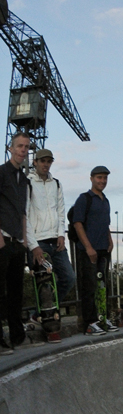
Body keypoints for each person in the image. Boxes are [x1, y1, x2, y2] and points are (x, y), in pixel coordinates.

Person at [25, 148, 75, 307]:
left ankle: (45, 312)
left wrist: (61, 234)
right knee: (42, 285)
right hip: (39, 241)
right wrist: (33, 246)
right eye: (42, 161)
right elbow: (23, 216)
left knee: (69, 278)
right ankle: (44, 315)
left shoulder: (56, 184)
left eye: (49, 161)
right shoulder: (28, 183)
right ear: (35, 162)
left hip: (56, 240)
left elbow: (61, 211)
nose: (46, 164)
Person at [71, 166, 118, 335]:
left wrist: (110, 240)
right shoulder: (84, 198)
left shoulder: (105, 200)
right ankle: (89, 323)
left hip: (103, 249)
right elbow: (77, 223)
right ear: (91, 178)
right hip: (88, 250)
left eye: (105, 178)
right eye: (99, 177)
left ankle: (102, 318)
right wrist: (88, 247)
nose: (102, 181)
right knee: (89, 287)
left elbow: (105, 224)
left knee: (102, 287)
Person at [0, 133, 33, 350]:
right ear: (10, 148)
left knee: (15, 291)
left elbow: (23, 212)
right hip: (2, 240)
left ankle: (17, 335)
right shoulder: (1, 172)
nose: (23, 150)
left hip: (17, 243)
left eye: (26, 147)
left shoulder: (24, 180)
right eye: (19, 146)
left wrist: (23, 241)